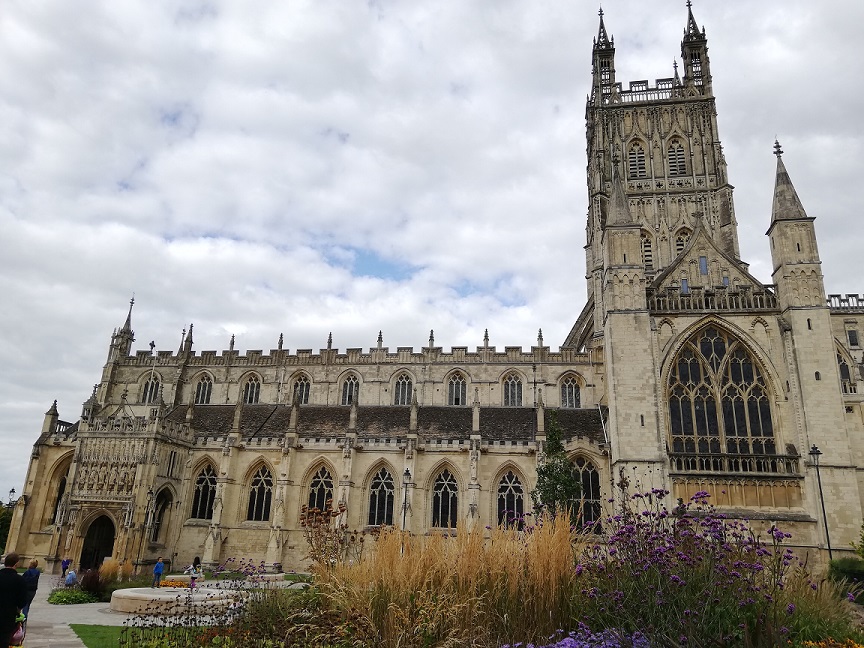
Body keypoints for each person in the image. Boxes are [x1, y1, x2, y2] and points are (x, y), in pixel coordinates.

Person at [0, 553, 27, 648]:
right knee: (4, 640)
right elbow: (23, 601)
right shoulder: (20, 580)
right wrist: (18, 610)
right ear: (16, 564)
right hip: (8, 616)